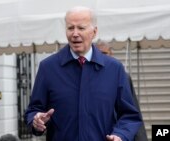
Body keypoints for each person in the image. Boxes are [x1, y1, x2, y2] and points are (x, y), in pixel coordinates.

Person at [24, 6, 142, 141]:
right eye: (70, 28)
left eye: (81, 28)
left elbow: (129, 115)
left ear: (94, 32)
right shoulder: (48, 68)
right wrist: (36, 121)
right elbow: (33, 110)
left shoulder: (114, 69)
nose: (75, 33)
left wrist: (121, 135)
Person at [96, 41, 148, 141]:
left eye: (105, 53)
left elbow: (132, 111)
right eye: (99, 54)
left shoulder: (122, 76)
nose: (102, 57)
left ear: (111, 54)